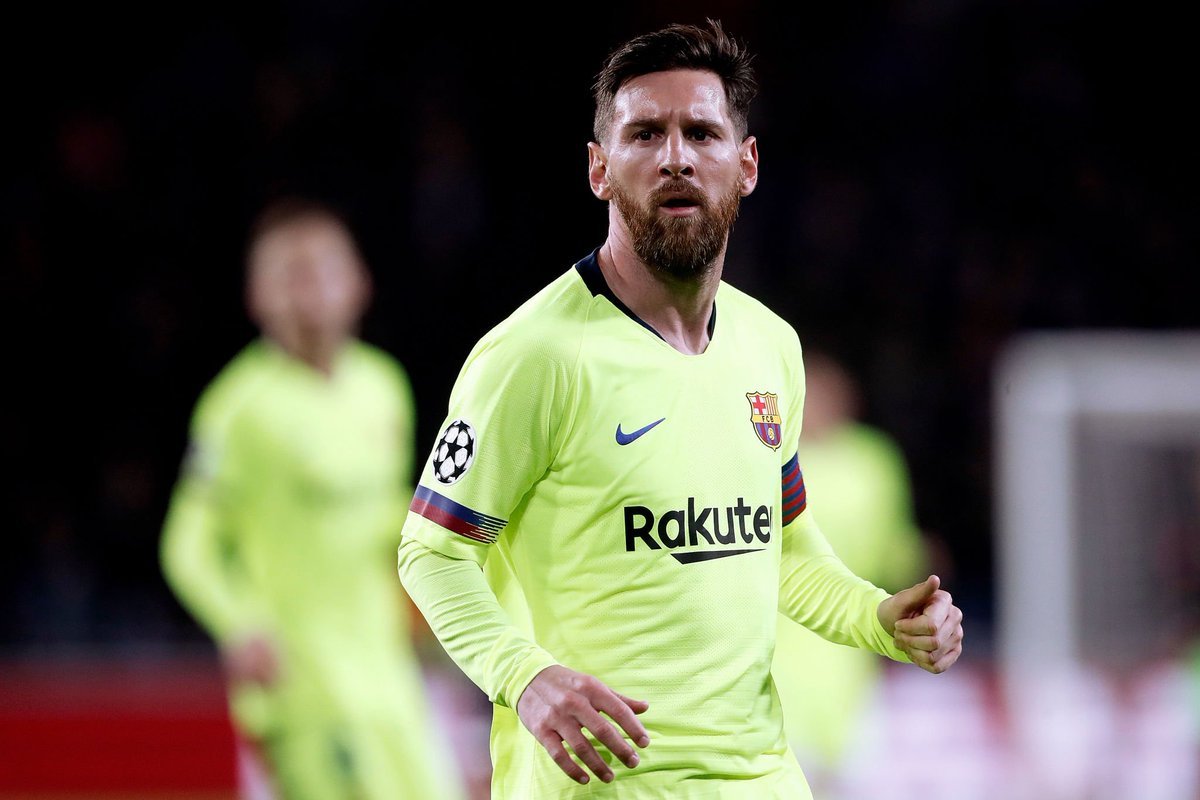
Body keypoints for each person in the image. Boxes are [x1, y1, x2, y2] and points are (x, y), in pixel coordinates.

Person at [396, 19, 964, 800]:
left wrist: (879, 618)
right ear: (599, 169)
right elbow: (430, 554)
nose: (676, 157)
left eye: (701, 132)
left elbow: (785, 551)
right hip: (601, 784)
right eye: (645, 135)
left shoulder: (770, 346)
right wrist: (525, 677)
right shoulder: (533, 356)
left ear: (747, 164)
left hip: (761, 778)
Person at [159, 197, 466, 800]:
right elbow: (187, 543)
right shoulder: (237, 408)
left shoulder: (383, 386)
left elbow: (389, 523)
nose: (311, 289)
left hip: (389, 675)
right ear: (257, 296)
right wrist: (238, 623)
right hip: (301, 682)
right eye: (291, 274)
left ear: (360, 282)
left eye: (325, 268)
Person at [770, 349, 933, 796]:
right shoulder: (862, 460)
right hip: (783, 656)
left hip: (846, 659)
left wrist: (915, 563)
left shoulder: (870, 460)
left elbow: (893, 554)